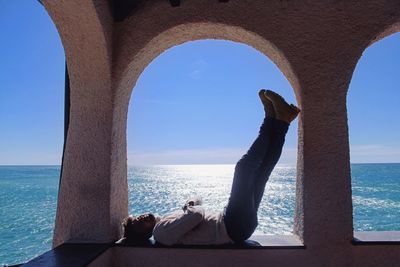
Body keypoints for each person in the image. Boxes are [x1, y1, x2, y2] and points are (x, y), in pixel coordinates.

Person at [122, 89, 300, 245]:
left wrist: (190, 204)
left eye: (138, 217)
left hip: (236, 226)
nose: (142, 218)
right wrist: (188, 206)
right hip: (232, 226)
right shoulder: (161, 232)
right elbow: (197, 214)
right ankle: (272, 120)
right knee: (243, 169)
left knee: (261, 173)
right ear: (144, 234)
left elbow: (197, 203)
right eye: (138, 224)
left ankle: (282, 120)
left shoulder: (164, 226)